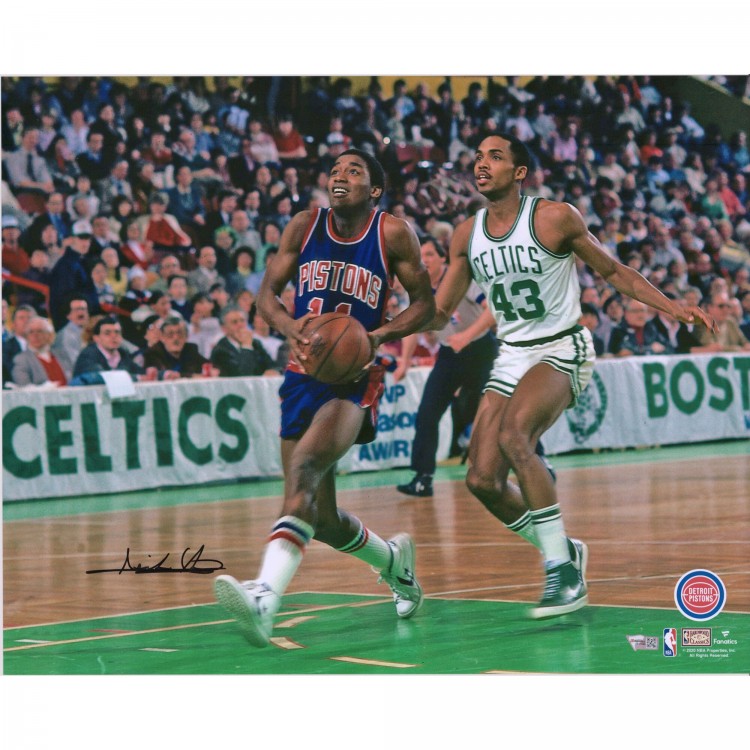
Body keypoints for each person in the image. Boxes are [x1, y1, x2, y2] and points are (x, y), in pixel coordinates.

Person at [428, 133, 714, 619]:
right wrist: (381, 328)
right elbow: (438, 312)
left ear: (520, 172)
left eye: (495, 156)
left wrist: (672, 307)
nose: (481, 164)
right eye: (476, 157)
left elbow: (614, 272)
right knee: (481, 480)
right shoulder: (465, 235)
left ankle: (561, 572)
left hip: (562, 344)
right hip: (512, 354)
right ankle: (564, 548)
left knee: (516, 435)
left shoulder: (554, 217)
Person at [213, 148, 435, 647]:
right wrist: (289, 326)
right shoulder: (303, 225)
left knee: (305, 469)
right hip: (302, 371)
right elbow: (266, 296)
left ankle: (265, 597)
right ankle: (394, 563)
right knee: (324, 520)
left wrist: (379, 335)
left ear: (374, 190)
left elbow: (425, 304)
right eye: (335, 170)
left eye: (353, 171)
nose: (340, 176)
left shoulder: (391, 233)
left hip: (354, 376)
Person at [395, 236, 497, 498]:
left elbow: (492, 310)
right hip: (449, 354)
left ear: (443, 258)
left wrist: (467, 336)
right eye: (421, 256)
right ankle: (423, 478)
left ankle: (537, 458)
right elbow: (411, 327)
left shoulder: (461, 279)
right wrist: (404, 361)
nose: (424, 260)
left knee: (500, 408)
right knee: (427, 413)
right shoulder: (418, 290)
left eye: (430, 254)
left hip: (481, 349)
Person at [209, 306, 275, 377]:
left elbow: (273, 365)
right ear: (224, 329)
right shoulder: (220, 350)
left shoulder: (256, 343)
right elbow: (242, 375)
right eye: (234, 322)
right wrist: (246, 346)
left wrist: (273, 371)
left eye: (242, 320)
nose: (240, 325)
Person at [10, 316, 67, 387]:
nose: (35, 335)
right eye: (31, 332)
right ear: (26, 336)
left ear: (49, 334)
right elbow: (23, 386)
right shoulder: (21, 359)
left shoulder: (62, 355)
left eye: (40, 331)